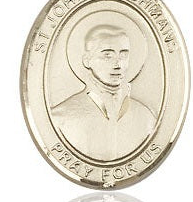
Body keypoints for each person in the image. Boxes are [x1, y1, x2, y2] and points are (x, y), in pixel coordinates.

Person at [51, 24, 156, 160]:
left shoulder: (146, 117)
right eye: (107, 56)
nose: (118, 65)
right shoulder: (60, 118)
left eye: (123, 55)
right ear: (87, 61)